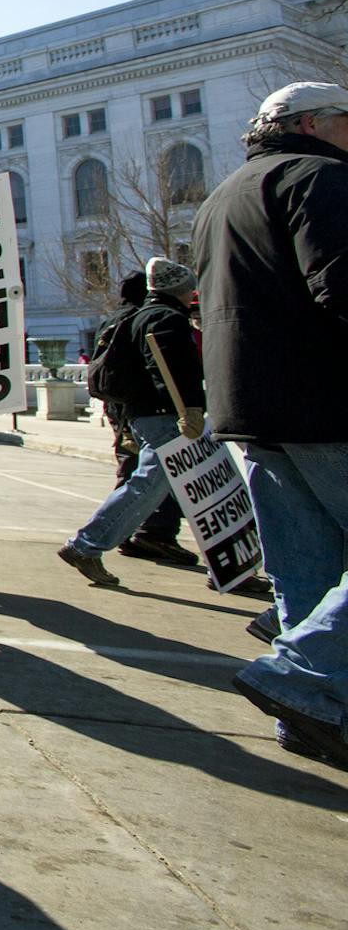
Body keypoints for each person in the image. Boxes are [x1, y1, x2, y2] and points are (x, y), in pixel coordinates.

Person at [193, 81, 348, 767]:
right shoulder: (320, 177)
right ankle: (299, 673)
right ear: (314, 123)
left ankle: (309, 714)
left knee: (304, 571)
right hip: (325, 399)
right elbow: (340, 282)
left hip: (249, 408)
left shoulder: (222, 196)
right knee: (308, 568)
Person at [57, 257, 205, 587]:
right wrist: (191, 408)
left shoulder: (141, 316)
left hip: (142, 413)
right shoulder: (167, 319)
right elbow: (172, 370)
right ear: (181, 290)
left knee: (151, 485)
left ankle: (95, 543)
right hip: (163, 415)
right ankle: (87, 544)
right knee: (147, 487)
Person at [95, 271, 200, 568]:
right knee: (150, 478)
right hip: (149, 410)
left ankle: (129, 532)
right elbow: (163, 368)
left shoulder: (117, 318)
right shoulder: (151, 317)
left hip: (125, 407)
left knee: (134, 472)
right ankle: (144, 533)